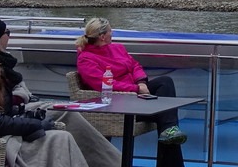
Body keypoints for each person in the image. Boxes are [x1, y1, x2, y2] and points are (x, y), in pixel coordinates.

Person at [0, 19, 121, 167]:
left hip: (16, 114)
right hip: (6, 131)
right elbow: (2, 120)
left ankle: (115, 163)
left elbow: (7, 105)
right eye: (7, 33)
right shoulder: (87, 57)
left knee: (67, 113)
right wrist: (35, 124)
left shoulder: (3, 66)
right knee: (61, 139)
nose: (8, 37)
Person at [75, 17, 186, 167]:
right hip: (118, 104)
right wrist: (135, 89)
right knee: (165, 116)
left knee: (165, 83)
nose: (112, 33)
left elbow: (135, 65)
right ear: (102, 36)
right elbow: (104, 85)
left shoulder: (117, 48)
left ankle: (169, 129)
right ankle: (169, 131)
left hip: (137, 95)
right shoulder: (86, 59)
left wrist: (141, 82)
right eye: (110, 30)